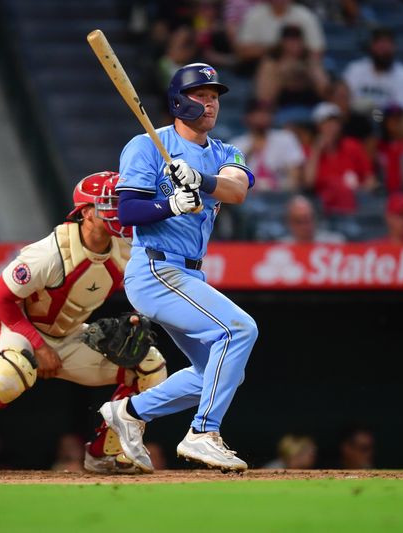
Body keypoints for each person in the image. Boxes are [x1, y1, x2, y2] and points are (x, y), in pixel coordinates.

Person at [0, 172, 168, 476]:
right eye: (111, 203)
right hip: (15, 325)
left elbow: (145, 286)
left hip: (66, 334)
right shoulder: (51, 253)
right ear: (87, 212)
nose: (120, 210)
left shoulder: (126, 247)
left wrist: (136, 314)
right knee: (10, 375)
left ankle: (104, 453)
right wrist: (37, 346)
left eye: (123, 202)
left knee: (149, 365)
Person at [102, 63, 257, 473]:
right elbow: (128, 211)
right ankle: (203, 433)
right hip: (154, 268)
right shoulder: (147, 145)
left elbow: (237, 189)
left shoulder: (226, 152)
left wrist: (200, 180)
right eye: (200, 95)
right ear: (177, 102)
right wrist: (169, 203)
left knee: (221, 372)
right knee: (239, 329)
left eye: (214, 97)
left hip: (189, 273)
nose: (210, 104)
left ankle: (130, 412)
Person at [304, 102, 375, 215]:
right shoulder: (310, 151)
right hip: (322, 210)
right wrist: (316, 151)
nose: (332, 127)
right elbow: (309, 182)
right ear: (318, 126)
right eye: (327, 123)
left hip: (354, 205)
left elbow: (370, 179)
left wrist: (358, 190)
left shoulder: (352, 146)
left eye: (335, 122)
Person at [229, 99, 305, 191]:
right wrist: (250, 152)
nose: (263, 116)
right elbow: (232, 179)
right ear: (247, 117)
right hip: (249, 197)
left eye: (267, 112)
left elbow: (295, 177)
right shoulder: (236, 144)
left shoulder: (286, 138)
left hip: (280, 194)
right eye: (258, 112)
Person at [254, 25, 329, 113]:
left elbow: (326, 92)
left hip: (311, 108)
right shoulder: (270, 62)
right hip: (280, 109)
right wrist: (282, 76)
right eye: (290, 41)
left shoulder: (309, 60)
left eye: (297, 40)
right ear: (282, 43)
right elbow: (264, 98)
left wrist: (309, 74)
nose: (294, 45)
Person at [343, 27, 403, 111]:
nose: (384, 50)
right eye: (380, 45)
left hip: (387, 120)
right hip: (356, 119)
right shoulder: (355, 69)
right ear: (372, 46)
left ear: (394, 47)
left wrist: (376, 109)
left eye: (387, 45)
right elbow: (344, 100)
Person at [235, 0, 325, 62]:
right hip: (259, 67)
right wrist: (278, 49)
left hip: (299, 67)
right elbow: (243, 51)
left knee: (315, 68)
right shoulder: (254, 15)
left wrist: (296, 54)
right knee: (270, 65)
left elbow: (317, 51)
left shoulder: (305, 15)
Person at [278, 195, 345, 244]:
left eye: (308, 220)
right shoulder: (282, 248)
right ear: (290, 223)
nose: (305, 226)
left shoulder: (334, 243)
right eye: (299, 221)